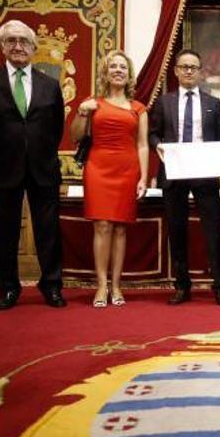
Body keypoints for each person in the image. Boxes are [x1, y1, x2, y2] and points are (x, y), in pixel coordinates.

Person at [0, 20, 66, 311]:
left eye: (24, 41)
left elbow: (56, 127)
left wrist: (41, 153)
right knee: (5, 233)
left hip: (43, 168)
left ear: (34, 47)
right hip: (2, 169)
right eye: (11, 40)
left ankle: (51, 286)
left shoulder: (50, 84)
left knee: (48, 232)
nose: (18, 46)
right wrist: (0, 154)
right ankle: (8, 288)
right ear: (1, 46)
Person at [149, 49, 220, 307]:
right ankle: (182, 286)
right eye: (183, 66)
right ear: (175, 70)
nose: (188, 71)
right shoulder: (164, 102)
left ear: (200, 72)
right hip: (174, 174)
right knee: (177, 230)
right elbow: (152, 134)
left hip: (205, 174)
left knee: (213, 232)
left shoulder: (212, 103)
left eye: (193, 67)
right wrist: (157, 146)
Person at [71, 50, 148, 308]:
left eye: (122, 67)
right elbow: (76, 137)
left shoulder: (139, 108)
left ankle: (117, 286)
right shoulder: (93, 103)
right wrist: (82, 112)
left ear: (129, 75)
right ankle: (101, 285)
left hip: (127, 169)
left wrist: (144, 178)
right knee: (102, 225)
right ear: (105, 72)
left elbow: (143, 146)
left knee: (120, 227)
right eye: (113, 66)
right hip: (98, 168)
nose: (118, 70)